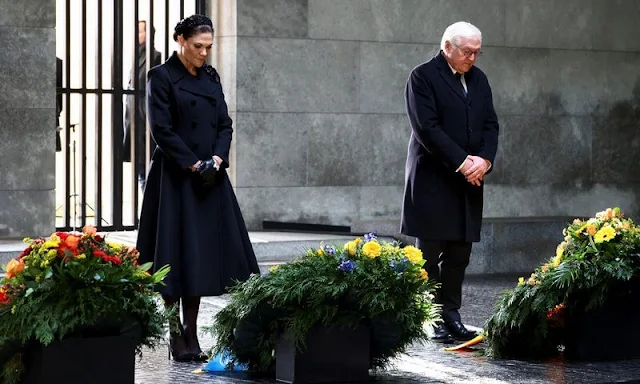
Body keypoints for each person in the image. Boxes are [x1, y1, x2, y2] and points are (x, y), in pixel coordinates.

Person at [136, 14, 260, 362]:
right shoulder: (160, 77)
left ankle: (191, 330)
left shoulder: (210, 77)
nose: (204, 53)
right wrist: (193, 163)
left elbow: (225, 122)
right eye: (197, 46)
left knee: (200, 257)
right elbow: (161, 129)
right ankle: (174, 333)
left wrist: (218, 160)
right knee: (174, 254)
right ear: (180, 40)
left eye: (208, 47)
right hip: (177, 178)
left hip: (210, 179)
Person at [400, 21, 499, 343]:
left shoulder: (479, 79)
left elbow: (490, 124)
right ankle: (430, 316)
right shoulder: (423, 76)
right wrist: (463, 162)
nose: (472, 58)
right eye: (467, 52)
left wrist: (484, 160)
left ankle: (452, 314)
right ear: (447, 48)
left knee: (459, 253)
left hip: (468, 179)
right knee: (429, 252)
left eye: (477, 52)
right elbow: (426, 127)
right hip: (434, 177)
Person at [123, 20, 162, 190]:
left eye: (140, 32)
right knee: (140, 171)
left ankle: (149, 214)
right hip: (133, 123)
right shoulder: (134, 57)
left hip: (146, 123)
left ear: (148, 34)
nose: (136, 36)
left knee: (148, 172)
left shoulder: (155, 57)